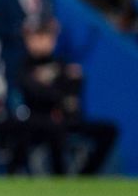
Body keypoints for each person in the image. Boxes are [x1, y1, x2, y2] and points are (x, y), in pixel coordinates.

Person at [10, 19, 116, 175]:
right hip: (37, 119)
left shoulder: (61, 63)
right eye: (38, 36)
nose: (43, 41)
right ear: (28, 39)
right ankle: (59, 175)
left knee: (109, 130)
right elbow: (34, 92)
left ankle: (85, 176)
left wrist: (58, 92)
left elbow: (74, 95)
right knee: (48, 127)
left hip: (66, 119)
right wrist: (59, 92)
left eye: (47, 36)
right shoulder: (23, 65)